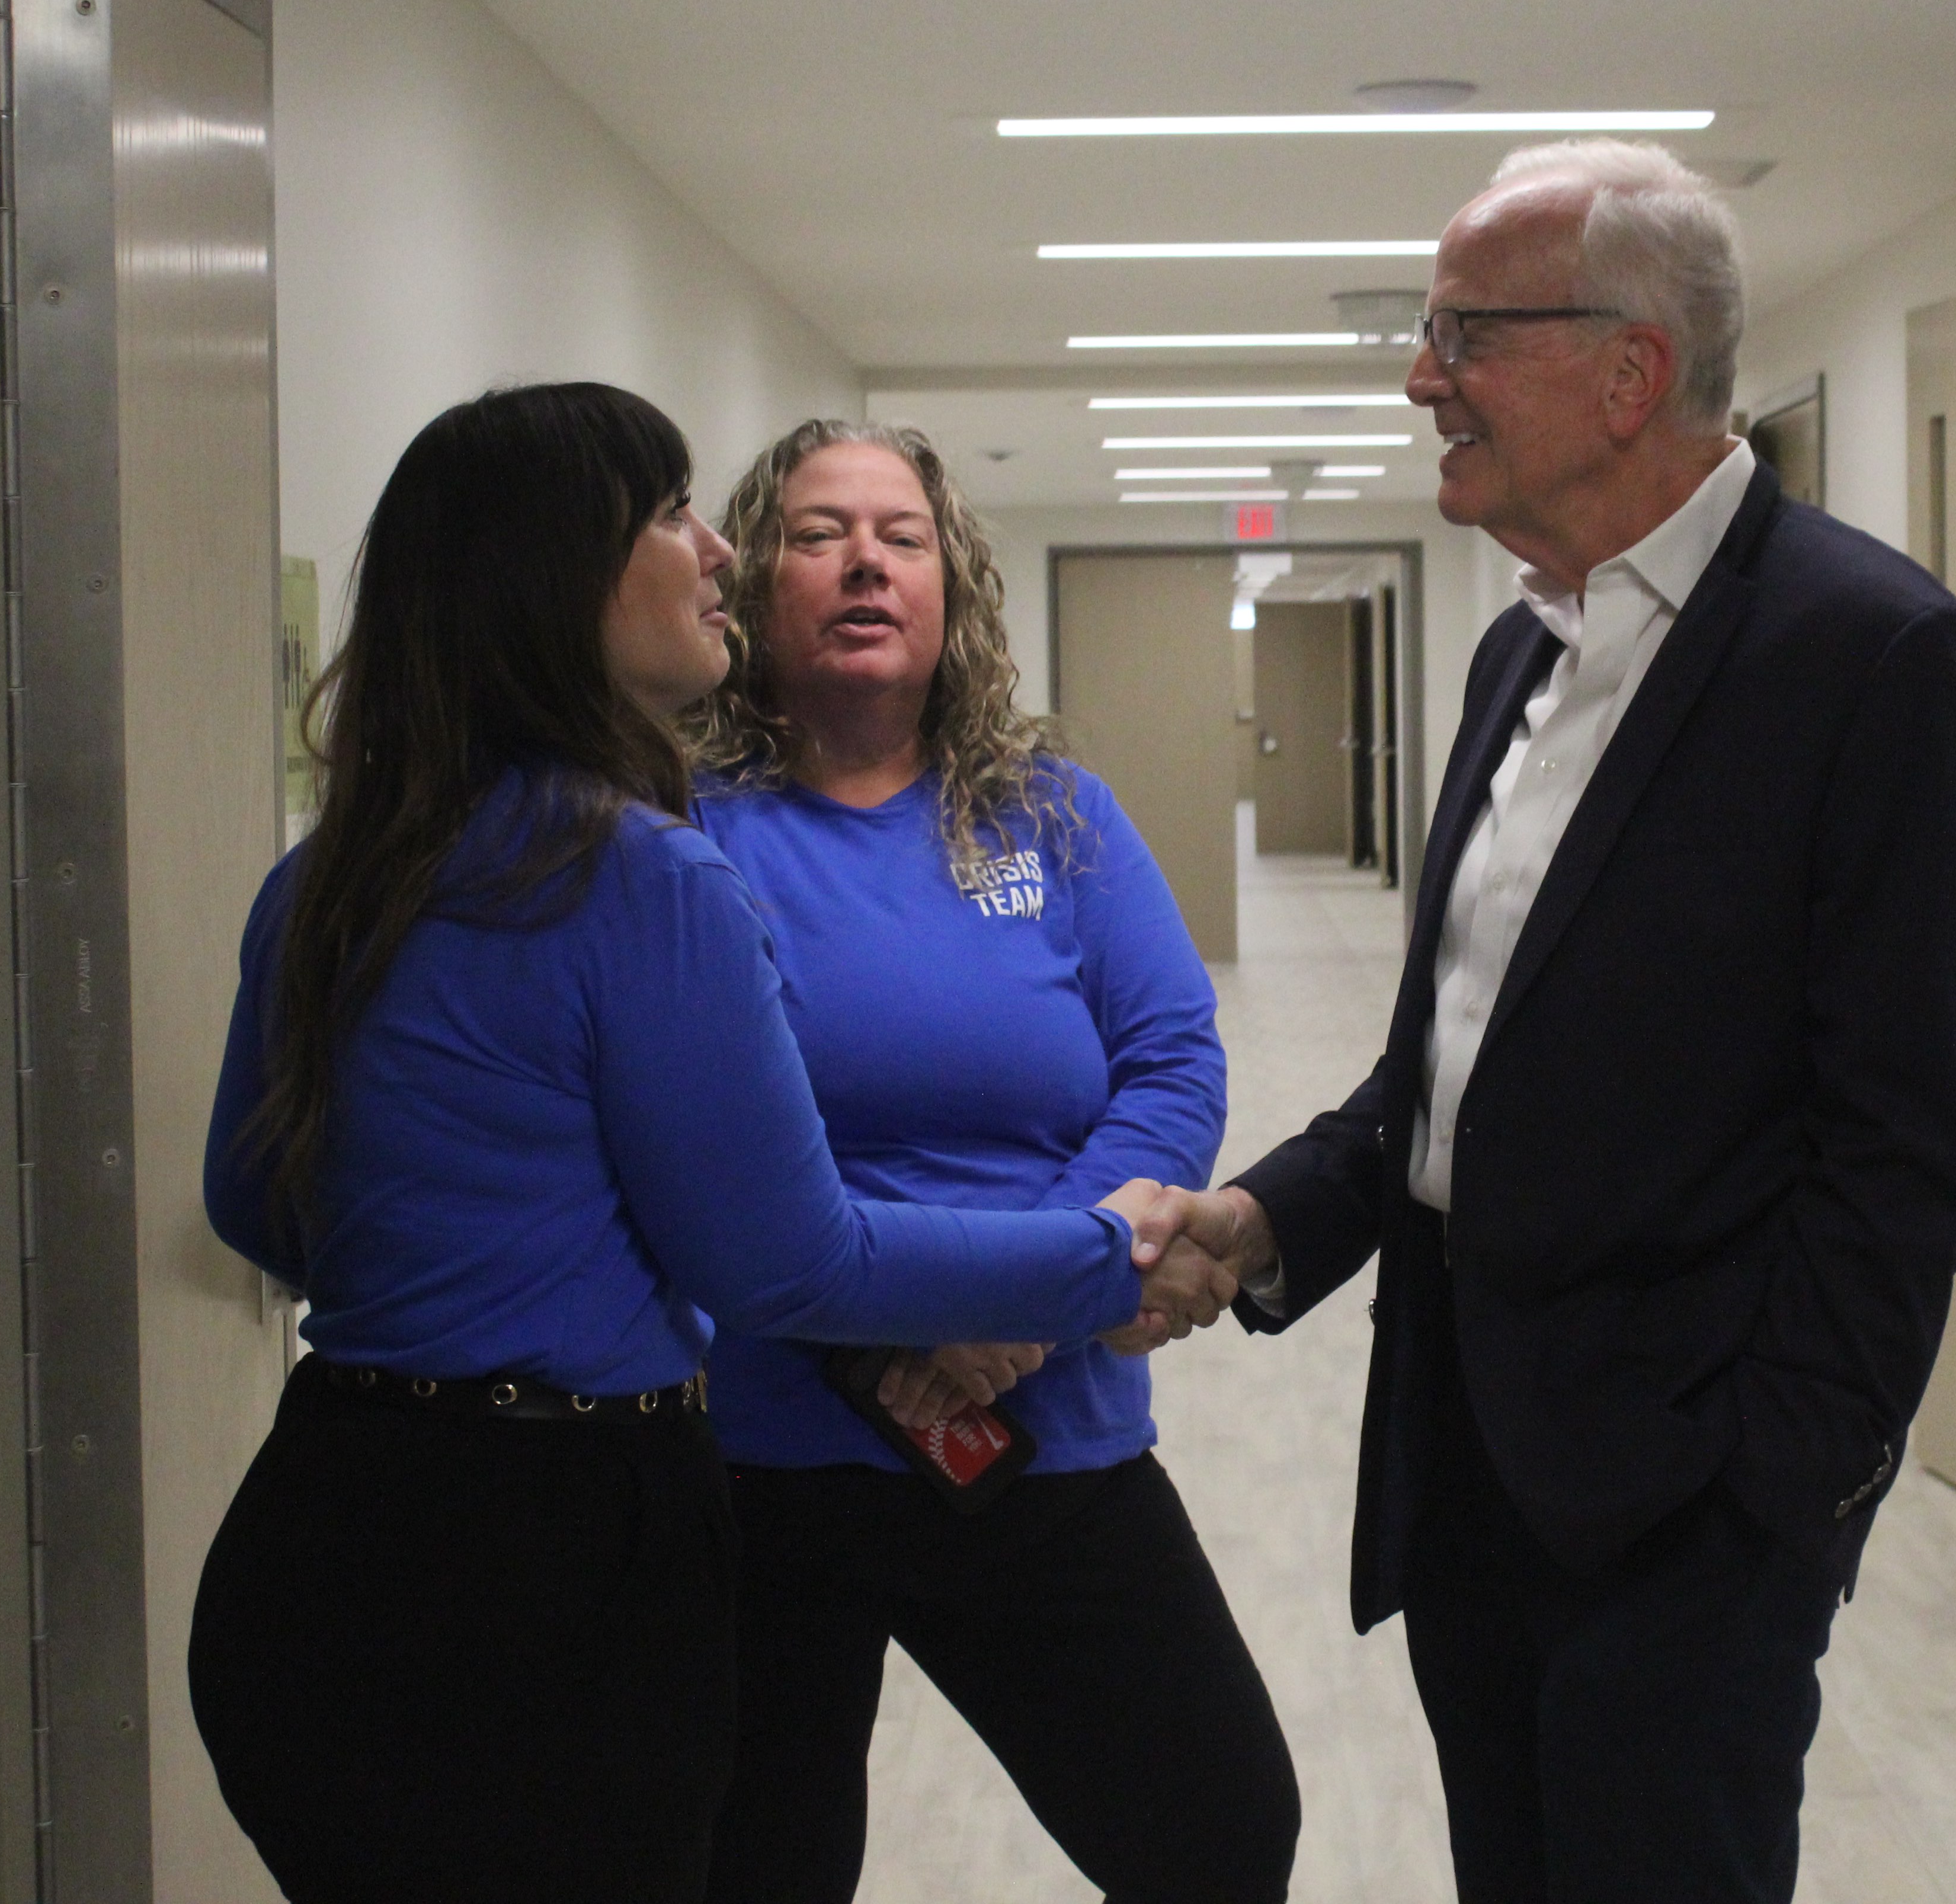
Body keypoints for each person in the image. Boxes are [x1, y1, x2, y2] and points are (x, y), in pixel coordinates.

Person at [187, 383, 1235, 1904]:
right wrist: (1097, 1261)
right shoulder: (647, 868)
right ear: (566, 579)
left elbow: (258, 1205)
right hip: (572, 1548)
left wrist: (515, 1246)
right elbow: (787, 1257)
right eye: (682, 518)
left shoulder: (328, 871)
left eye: (899, 534)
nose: (718, 558)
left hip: (330, 1523)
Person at [1148, 141, 1956, 1903]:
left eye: (1466, 332)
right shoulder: (1520, 654)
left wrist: (1774, 1514)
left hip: (1690, 1519)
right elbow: (1453, 1069)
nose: (1421, 377)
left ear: (1630, 372)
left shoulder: (1874, 662)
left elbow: (1906, 1159)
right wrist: (1264, 1224)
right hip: (1469, 1470)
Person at [681, 419, 1301, 1904]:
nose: (864, 565)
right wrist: (904, 1320)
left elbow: (1170, 1059)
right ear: (756, 582)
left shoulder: (1050, 814)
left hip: (1045, 1423)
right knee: (758, 1868)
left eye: (900, 536)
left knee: (1217, 1827)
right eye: (820, 534)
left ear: (952, 586)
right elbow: (686, 1137)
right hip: (770, 1447)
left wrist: (1027, 1296)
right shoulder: (682, 829)